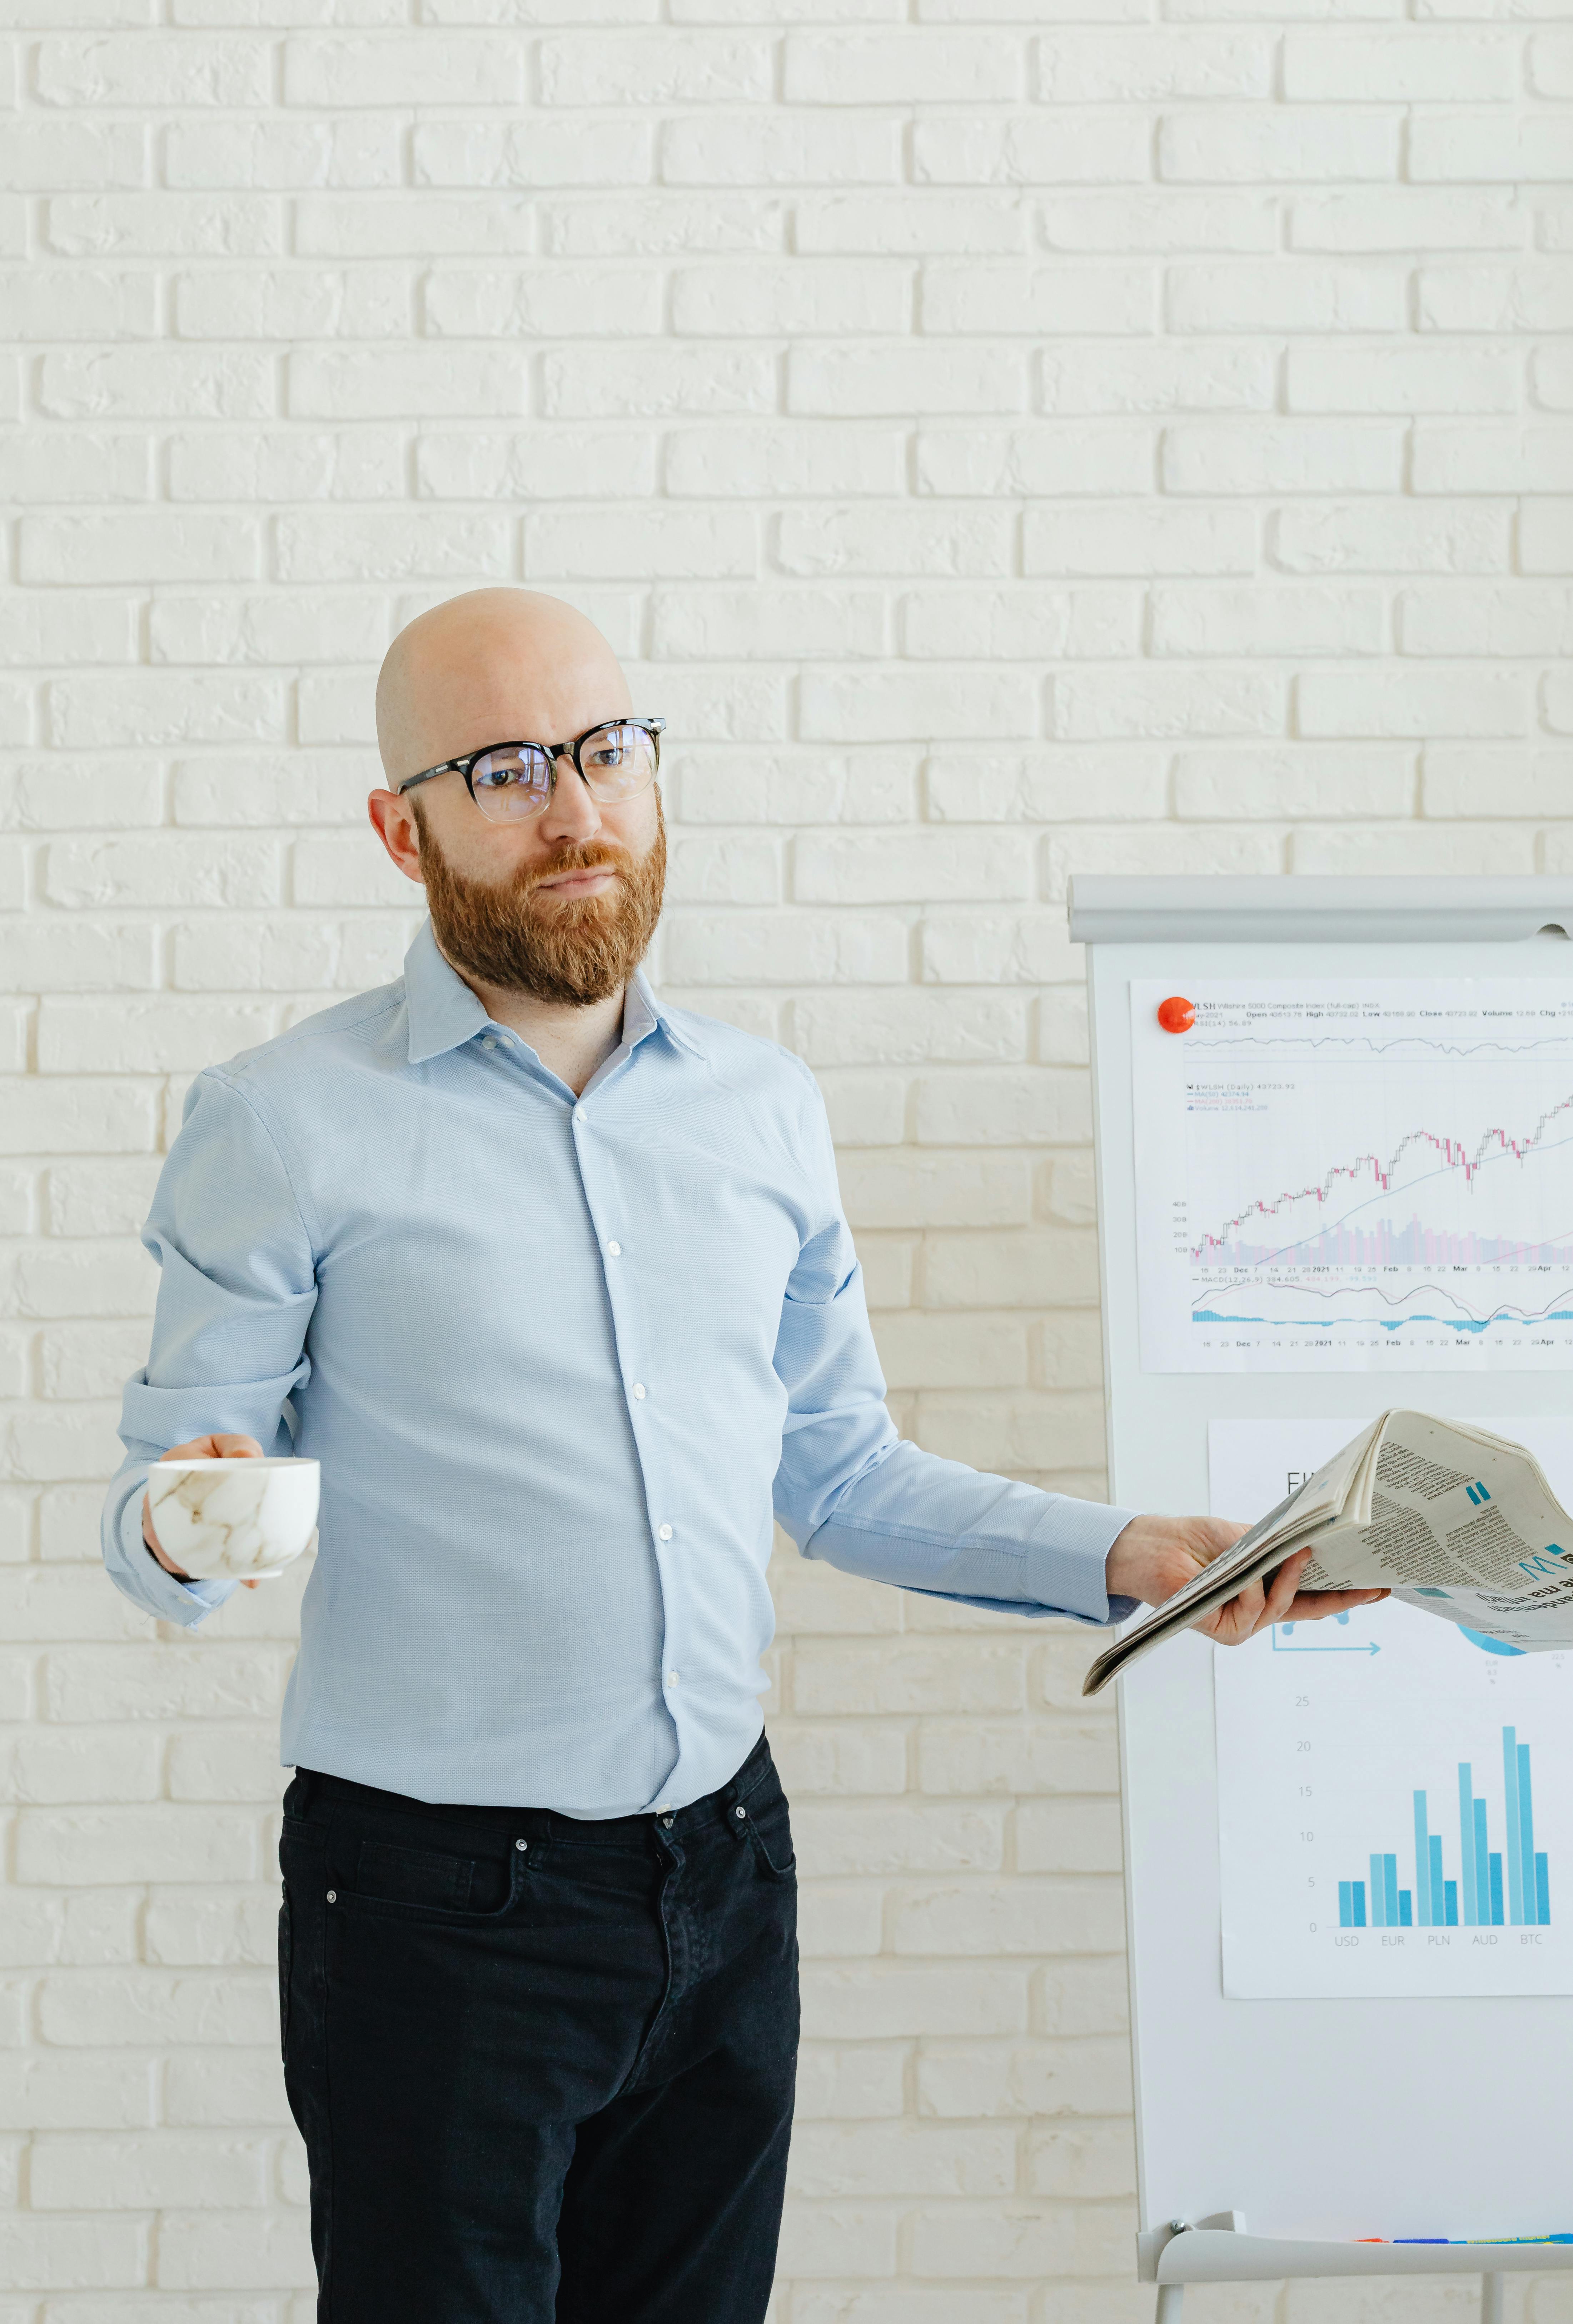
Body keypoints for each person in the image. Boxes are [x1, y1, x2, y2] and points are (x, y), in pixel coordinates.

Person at [100, 587, 1384, 2324]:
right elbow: (171, 1496)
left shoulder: (761, 1108)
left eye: (608, 751)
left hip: (724, 1875)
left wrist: (1133, 1551)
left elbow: (841, 1476)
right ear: (402, 830)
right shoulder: (284, 1119)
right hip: (435, 1913)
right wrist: (193, 1522)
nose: (575, 810)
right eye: (504, 769)